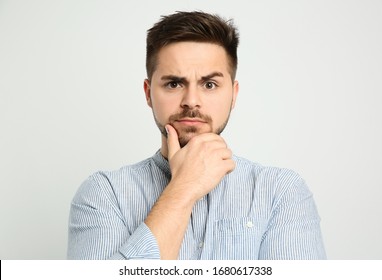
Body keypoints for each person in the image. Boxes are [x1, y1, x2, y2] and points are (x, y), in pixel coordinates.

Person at [67, 11, 326, 260]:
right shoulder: (104, 194)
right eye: (174, 84)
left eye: (209, 84)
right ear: (148, 93)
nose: (191, 101)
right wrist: (183, 188)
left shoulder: (281, 192)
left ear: (233, 95)